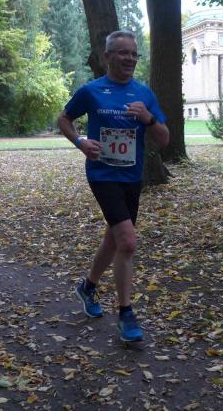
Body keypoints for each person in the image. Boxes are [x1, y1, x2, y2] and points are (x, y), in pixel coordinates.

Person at [57, 30, 169, 342]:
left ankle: (88, 287)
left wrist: (148, 118)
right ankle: (126, 313)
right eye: (122, 53)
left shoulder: (144, 94)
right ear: (107, 57)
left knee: (114, 239)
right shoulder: (91, 91)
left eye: (133, 53)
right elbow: (63, 119)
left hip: (131, 178)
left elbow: (164, 139)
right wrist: (80, 142)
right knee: (128, 242)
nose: (129, 59)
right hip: (102, 175)